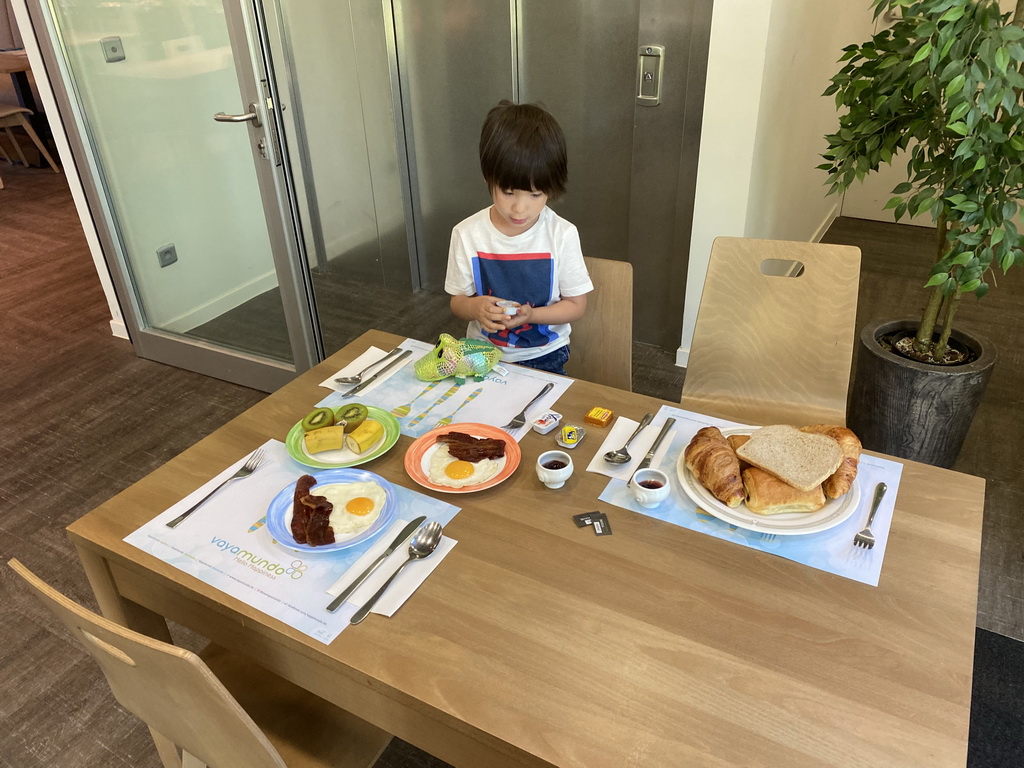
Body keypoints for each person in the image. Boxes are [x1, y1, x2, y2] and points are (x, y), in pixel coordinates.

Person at [444, 100, 593, 376]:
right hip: (482, 352)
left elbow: (576, 305)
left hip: (544, 355)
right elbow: (458, 301)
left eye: (535, 194)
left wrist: (532, 315)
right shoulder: (467, 233)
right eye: (509, 191)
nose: (520, 208)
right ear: (489, 177)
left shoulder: (561, 234)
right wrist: (476, 308)